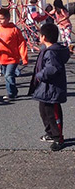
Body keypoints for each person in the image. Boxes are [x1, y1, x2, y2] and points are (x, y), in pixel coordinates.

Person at [28, 23, 70, 151]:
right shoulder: (46, 50)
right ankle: (50, 133)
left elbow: (53, 68)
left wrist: (40, 75)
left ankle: (58, 138)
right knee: (44, 111)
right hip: (45, 88)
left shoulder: (52, 52)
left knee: (53, 113)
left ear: (44, 37)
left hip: (52, 88)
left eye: (40, 35)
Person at [0, 7, 28, 101]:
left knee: (9, 75)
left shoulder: (14, 30)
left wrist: (24, 58)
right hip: (2, 58)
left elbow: (21, 43)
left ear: (8, 18)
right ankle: (14, 91)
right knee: (5, 74)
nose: (0, 21)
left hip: (13, 58)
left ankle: (11, 94)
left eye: (2, 19)